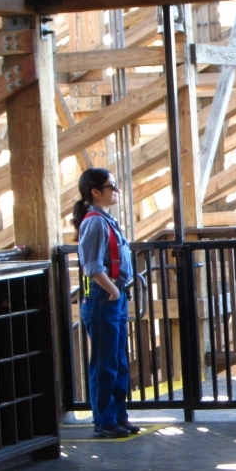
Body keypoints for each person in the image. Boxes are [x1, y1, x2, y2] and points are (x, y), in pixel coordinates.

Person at [74, 168, 141, 439]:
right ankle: (104, 420)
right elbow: (92, 265)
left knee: (118, 360)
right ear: (95, 192)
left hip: (115, 298)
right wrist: (113, 290)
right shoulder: (95, 222)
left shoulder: (106, 220)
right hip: (104, 299)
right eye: (111, 186)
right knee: (105, 363)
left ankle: (117, 416)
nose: (116, 190)